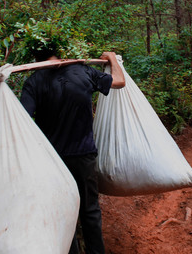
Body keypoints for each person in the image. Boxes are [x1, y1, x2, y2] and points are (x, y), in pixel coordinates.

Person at [20, 43, 125, 254]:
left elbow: (21, 119)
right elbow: (120, 81)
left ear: (36, 58)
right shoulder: (84, 71)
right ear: (60, 52)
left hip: (53, 163)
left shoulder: (34, 82)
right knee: (90, 211)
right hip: (83, 157)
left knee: (62, 215)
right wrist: (112, 58)